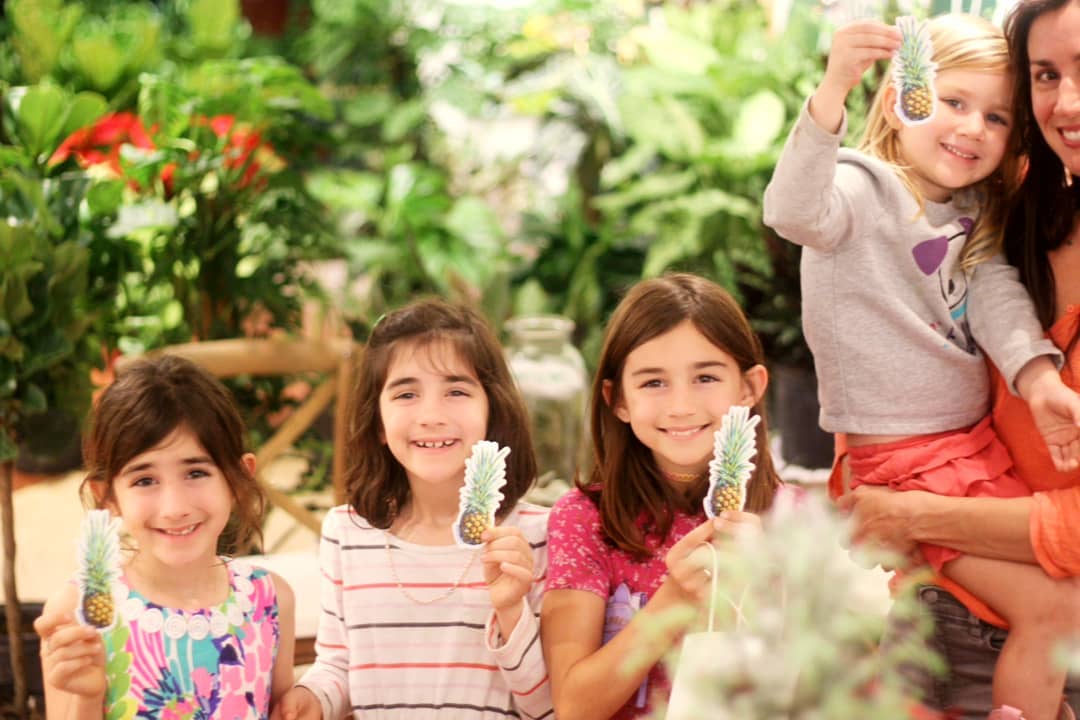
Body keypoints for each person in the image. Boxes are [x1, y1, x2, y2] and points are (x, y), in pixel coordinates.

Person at [765, 11, 1080, 720]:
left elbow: (997, 298)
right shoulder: (855, 191)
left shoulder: (973, 210)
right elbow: (790, 209)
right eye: (952, 102)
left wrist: (1039, 380)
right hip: (904, 458)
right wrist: (834, 87)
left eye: (998, 118)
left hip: (965, 451)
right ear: (896, 101)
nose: (973, 128)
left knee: (993, 607)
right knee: (1052, 607)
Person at [273, 299, 552, 720]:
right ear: (378, 424)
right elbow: (337, 668)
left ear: (492, 411)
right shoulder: (347, 533)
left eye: (456, 391)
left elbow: (546, 708)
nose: (431, 415)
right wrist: (311, 698)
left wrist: (512, 609)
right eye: (406, 393)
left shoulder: (534, 535)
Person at [541, 273, 784, 720]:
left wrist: (772, 590)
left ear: (750, 387)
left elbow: (833, 685)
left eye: (706, 377)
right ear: (618, 399)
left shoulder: (790, 519)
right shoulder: (584, 520)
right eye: (653, 383)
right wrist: (674, 600)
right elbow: (574, 706)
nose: (680, 405)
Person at [33, 354, 297, 719]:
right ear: (106, 496)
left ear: (239, 478)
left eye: (196, 473)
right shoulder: (79, 612)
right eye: (144, 480)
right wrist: (85, 699)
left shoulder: (271, 600)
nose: (174, 507)